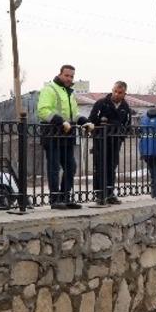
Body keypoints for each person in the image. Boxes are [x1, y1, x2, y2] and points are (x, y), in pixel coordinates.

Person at [36, 65, 92, 209]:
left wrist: (84, 121)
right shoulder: (50, 89)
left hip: (67, 135)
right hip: (52, 133)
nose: (69, 78)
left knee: (71, 166)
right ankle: (55, 200)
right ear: (60, 74)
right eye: (67, 75)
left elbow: (73, 114)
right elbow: (43, 111)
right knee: (54, 167)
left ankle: (65, 197)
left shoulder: (69, 93)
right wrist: (60, 122)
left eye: (72, 76)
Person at [87, 81, 132, 204]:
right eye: (115, 91)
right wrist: (97, 133)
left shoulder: (125, 107)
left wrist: (121, 137)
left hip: (115, 141)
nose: (117, 94)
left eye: (120, 92)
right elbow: (91, 120)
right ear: (112, 90)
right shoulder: (101, 103)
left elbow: (128, 124)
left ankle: (110, 193)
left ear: (124, 93)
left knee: (112, 167)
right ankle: (100, 194)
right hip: (101, 140)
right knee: (100, 166)